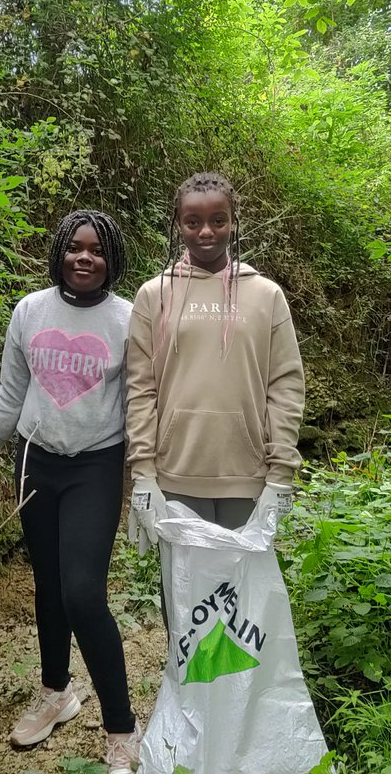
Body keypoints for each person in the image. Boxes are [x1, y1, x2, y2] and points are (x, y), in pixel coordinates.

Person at [0, 210, 142, 774]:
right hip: (35, 459)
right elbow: (11, 392)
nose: (84, 257)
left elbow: (141, 404)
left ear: (112, 258)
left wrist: (145, 481)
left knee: (83, 594)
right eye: (75, 247)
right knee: (49, 588)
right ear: (59, 252)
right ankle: (57, 692)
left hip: (96, 465)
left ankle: (122, 732)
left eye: (97, 250)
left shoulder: (129, 319)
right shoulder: (30, 311)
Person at [125, 172, 305, 544]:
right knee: (182, 584)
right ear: (178, 226)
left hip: (248, 478)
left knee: (240, 582)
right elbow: (141, 390)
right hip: (174, 476)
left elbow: (285, 386)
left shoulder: (266, 295)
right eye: (193, 222)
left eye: (218, 220)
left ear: (233, 222)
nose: (206, 231)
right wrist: (143, 475)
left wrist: (280, 476)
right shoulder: (153, 295)